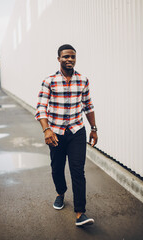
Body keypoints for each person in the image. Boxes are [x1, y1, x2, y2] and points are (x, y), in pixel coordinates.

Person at [35, 44, 98, 226]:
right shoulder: (49, 81)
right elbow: (41, 108)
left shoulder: (83, 80)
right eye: (66, 57)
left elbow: (88, 106)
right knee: (57, 167)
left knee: (78, 171)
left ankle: (80, 213)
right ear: (59, 59)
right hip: (55, 133)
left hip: (77, 131)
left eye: (72, 57)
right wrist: (46, 129)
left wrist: (94, 128)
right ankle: (60, 193)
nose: (69, 59)